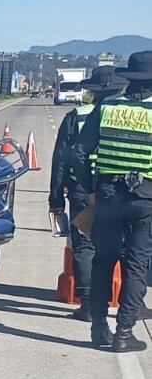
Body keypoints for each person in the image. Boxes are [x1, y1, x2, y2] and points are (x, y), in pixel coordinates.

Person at [74, 51, 152, 352]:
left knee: (103, 260)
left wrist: (89, 186)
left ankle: (98, 327)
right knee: (136, 265)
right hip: (145, 197)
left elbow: (79, 153)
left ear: (128, 79)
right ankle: (124, 333)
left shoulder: (107, 107)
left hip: (107, 195)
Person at [49, 66, 127, 322]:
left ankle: (87, 303)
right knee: (122, 244)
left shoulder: (76, 116)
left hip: (83, 190)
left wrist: (56, 196)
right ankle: (123, 300)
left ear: (91, 91)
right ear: (120, 89)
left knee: (84, 245)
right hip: (120, 189)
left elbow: (61, 159)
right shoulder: (126, 116)